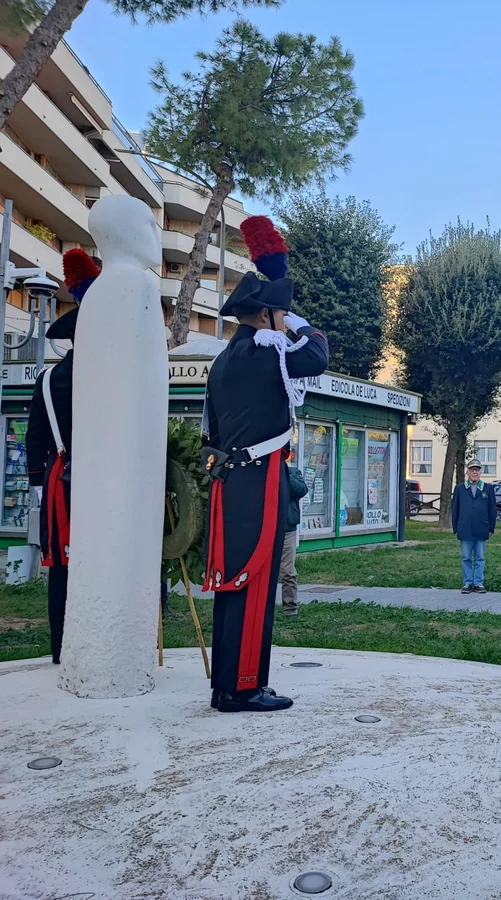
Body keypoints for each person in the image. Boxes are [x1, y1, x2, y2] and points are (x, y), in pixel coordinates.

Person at [201, 216, 329, 712]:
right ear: (265, 316)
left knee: (235, 583)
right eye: (278, 314)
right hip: (259, 481)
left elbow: (211, 433)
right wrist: (294, 319)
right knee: (255, 580)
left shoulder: (223, 362)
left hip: (232, 482)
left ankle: (226, 683)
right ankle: (245, 686)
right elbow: (316, 355)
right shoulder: (263, 352)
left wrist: (280, 310)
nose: (285, 321)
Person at [27, 249, 99, 665]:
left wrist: (39, 485)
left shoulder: (48, 377)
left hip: (58, 481)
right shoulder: (104, 374)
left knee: (63, 568)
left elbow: (35, 439)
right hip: (97, 481)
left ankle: (61, 647)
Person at [452, 458, 497, 593]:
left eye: (477, 470)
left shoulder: (487, 488)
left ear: (480, 472)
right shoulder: (460, 488)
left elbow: (492, 510)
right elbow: (455, 509)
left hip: (481, 528)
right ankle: (467, 583)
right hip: (465, 528)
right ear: (467, 472)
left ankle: (478, 583)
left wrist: (491, 528)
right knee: (466, 557)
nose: (474, 472)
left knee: (480, 557)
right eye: (472, 470)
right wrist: (456, 528)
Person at [280, 453, 308, 617]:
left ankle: (290, 609)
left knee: (287, 571)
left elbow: (301, 490)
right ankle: (262, 608)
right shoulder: (261, 475)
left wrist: (283, 474)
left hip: (287, 530)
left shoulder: (293, 472)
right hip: (266, 530)